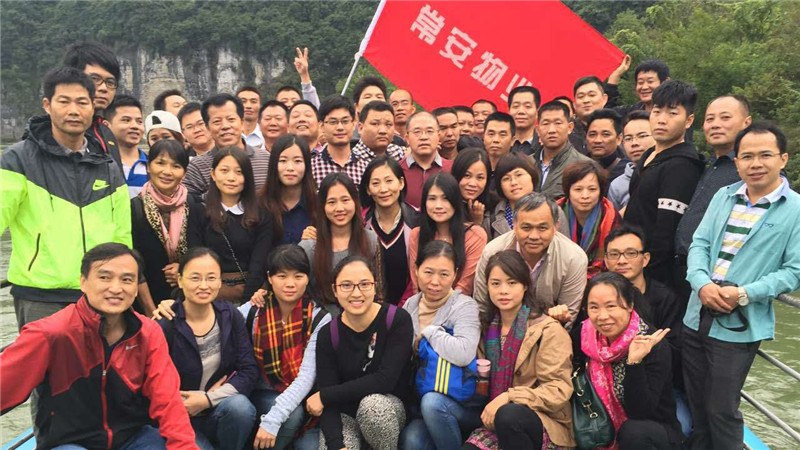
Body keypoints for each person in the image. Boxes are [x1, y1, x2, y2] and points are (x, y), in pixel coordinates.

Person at [0, 243, 195, 448]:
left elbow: (167, 400)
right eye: (104, 277)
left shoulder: (147, 332)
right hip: (70, 442)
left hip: (131, 438)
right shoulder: (50, 334)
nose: (116, 288)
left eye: (127, 280)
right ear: (83, 282)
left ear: (136, 288)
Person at [682, 122, 800, 450]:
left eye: (765, 155)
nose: (755, 163)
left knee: (721, 409)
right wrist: (701, 284)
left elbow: (794, 272)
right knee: (697, 403)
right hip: (696, 313)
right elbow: (699, 244)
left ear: (783, 158)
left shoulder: (795, 209)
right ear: (736, 162)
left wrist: (744, 294)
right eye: (747, 156)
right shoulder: (724, 196)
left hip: (739, 324)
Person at [1, 66, 131, 328]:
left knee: (102, 357)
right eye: (64, 101)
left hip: (99, 294)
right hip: (40, 295)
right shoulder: (18, 160)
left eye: (82, 102)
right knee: (44, 357)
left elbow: (122, 237)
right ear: (47, 105)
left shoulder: (107, 165)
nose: (74, 110)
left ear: (92, 107)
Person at [464, 250, 575, 450]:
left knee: (509, 415)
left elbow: (558, 389)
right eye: (495, 283)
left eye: (512, 283)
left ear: (525, 285)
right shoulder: (486, 329)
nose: (503, 291)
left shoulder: (547, 330)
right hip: (494, 420)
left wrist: (510, 396)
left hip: (543, 423)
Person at [155, 248, 259, 450]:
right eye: (195, 278)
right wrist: (183, 403)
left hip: (217, 409)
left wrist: (207, 399)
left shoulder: (230, 315)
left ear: (220, 281)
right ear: (180, 280)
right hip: (178, 417)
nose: (203, 285)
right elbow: (154, 385)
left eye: (211, 278)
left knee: (240, 407)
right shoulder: (166, 324)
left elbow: (249, 370)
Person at [309, 256, 414, 450]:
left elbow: (384, 380)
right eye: (346, 285)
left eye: (364, 284)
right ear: (335, 290)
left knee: (372, 407)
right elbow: (329, 401)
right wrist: (337, 445)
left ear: (375, 286)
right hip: (345, 413)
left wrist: (325, 395)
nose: (356, 293)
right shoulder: (328, 334)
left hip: (387, 407)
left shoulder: (396, 320)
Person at [573, 272, 682, 449]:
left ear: (630, 305)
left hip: (651, 432)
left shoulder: (651, 344)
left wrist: (633, 363)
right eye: (594, 307)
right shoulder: (585, 336)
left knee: (633, 431)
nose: (602, 316)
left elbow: (640, 412)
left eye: (611, 306)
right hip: (597, 425)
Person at [603, 224, 689, 435]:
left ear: (645, 258)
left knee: (684, 428)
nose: (622, 260)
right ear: (605, 260)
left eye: (631, 253)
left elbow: (676, 351)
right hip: (604, 383)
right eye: (614, 254)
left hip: (659, 385)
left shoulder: (666, 298)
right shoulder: (599, 297)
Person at [400, 241, 483, 450]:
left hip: (462, 402)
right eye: (428, 272)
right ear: (416, 269)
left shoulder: (464, 306)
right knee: (411, 442)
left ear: (455, 274)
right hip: (422, 399)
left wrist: (430, 331)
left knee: (432, 403)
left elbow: (464, 353)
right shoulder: (410, 305)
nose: (435, 282)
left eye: (444, 274)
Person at [625, 80, 704, 286]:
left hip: (655, 278)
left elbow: (666, 234)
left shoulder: (683, 166)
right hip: (632, 263)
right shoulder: (650, 155)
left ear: (689, 120)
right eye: (657, 111)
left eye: (672, 113)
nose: (661, 120)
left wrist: (647, 280)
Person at [674, 95, 752, 300]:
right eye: (710, 119)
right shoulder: (710, 165)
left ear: (746, 122)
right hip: (687, 273)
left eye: (725, 117)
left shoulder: (750, 170)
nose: (715, 124)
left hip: (720, 281)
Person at [473, 193, 587, 330]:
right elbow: (481, 307)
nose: (534, 236)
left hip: (549, 332)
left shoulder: (573, 258)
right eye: (526, 228)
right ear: (514, 225)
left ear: (555, 227)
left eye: (542, 228)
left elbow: (568, 316)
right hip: (499, 329)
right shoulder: (493, 251)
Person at [188, 147, 273, 304]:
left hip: (253, 297)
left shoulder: (262, 214)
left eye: (239, 172)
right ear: (213, 174)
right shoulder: (199, 211)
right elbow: (196, 257)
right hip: (209, 294)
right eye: (224, 171)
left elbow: (259, 263)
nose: (231, 178)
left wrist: (246, 304)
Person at [131, 140, 197, 316]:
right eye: (160, 163)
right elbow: (133, 260)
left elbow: (201, 249)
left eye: (176, 166)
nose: (167, 171)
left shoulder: (194, 205)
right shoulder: (134, 208)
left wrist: (183, 269)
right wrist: (150, 310)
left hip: (189, 300)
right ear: (148, 167)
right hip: (146, 301)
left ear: (184, 172)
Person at [299, 172, 379, 304]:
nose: (339, 208)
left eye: (345, 200)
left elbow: (379, 291)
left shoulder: (371, 240)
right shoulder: (310, 246)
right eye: (331, 202)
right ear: (322, 206)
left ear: (355, 202)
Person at [408, 173, 488, 297]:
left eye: (445, 198)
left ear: (455, 201)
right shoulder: (416, 235)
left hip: (460, 305)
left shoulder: (475, 236)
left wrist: (441, 307)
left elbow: (465, 287)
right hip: (423, 303)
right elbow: (417, 284)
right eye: (432, 199)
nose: (438, 206)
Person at [182, 93, 271, 197]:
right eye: (217, 121)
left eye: (231, 119)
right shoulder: (197, 167)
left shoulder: (266, 160)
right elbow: (189, 203)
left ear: (242, 123)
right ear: (208, 128)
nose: (225, 126)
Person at [360, 155, 420, 306]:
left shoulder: (417, 221)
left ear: (401, 183)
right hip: (367, 307)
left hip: (409, 307)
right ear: (367, 189)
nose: (383, 189)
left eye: (389, 181)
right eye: (375, 183)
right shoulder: (360, 223)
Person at [63, 41, 123, 168]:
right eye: (95, 79)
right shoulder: (55, 132)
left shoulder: (106, 133)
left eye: (110, 82)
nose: (104, 88)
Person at [557, 160, 620, 278]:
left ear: (601, 191)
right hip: (560, 275)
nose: (585, 196)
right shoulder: (554, 213)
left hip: (602, 278)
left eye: (592, 189)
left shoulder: (611, 216)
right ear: (568, 191)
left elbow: (614, 258)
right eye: (578, 189)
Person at [260, 133, 318, 245]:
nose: (290, 168)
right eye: (283, 161)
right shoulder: (260, 204)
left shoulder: (318, 205)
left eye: (297, 161)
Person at [530, 101, 591, 200]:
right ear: (538, 130)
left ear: (570, 128)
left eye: (558, 123)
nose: (551, 130)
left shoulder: (584, 166)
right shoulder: (526, 164)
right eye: (546, 124)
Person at [311, 95, 370, 188]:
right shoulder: (311, 168)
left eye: (345, 121)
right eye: (333, 122)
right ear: (321, 126)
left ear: (353, 123)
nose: (340, 127)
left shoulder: (366, 167)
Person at [400, 111, 454, 209]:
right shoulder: (397, 171)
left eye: (429, 131)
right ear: (407, 138)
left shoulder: (453, 168)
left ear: (438, 136)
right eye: (417, 132)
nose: (424, 137)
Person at [608, 110, 655, 210]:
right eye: (628, 138)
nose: (634, 143)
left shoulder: (670, 172)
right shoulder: (617, 185)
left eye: (642, 136)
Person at [105, 94, 148, 198]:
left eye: (139, 121)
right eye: (126, 120)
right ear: (106, 126)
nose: (135, 126)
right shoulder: (101, 164)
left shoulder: (152, 166)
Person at [586, 108, 630, 182]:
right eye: (592, 134)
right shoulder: (577, 168)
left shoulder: (628, 171)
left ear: (619, 139)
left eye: (605, 134)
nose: (598, 140)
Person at [571, 76, 612, 154]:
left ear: (604, 99)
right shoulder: (567, 133)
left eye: (592, 95)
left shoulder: (616, 128)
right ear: (574, 104)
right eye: (581, 96)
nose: (586, 100)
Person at [452, 148, 491, 226]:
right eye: (467, 175)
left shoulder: (494, 207)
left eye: (480, 177)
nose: (472, 184)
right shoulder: (445, 206)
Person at [507, 86, 540, 156]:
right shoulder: (500, 144)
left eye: (527, 106)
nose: (521, 111)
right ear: (509, 111)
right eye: (516, 106)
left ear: (537, 112)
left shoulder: (545, 146)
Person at [236, 85, 265, 149]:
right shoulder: (229, 134)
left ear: (260, 106)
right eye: (243, 101)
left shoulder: (266, 136)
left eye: (253, 102)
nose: (248, 106)